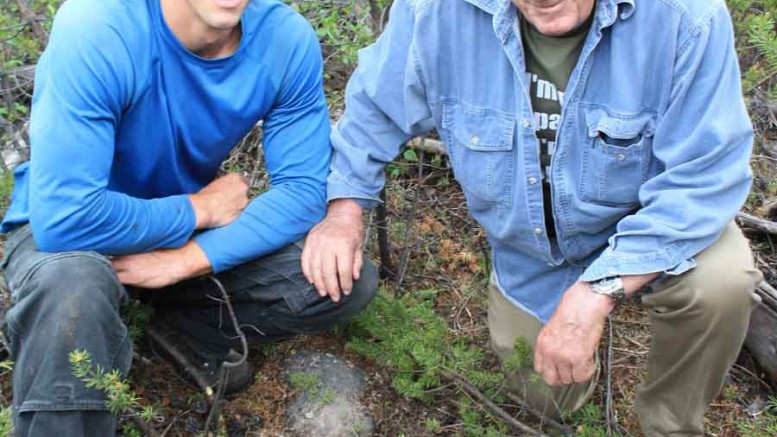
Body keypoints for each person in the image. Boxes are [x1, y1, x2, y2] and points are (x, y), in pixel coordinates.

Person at [302, 0, 763, 434]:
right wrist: (345, 208)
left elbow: (704, 175)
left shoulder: (685, 16)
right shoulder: (434, 12)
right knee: (545, 396)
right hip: (533, 250)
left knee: (720, 282)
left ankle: (670, 421)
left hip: (652, 220)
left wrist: (595, 292)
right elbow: (374, 109)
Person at [0, 0, 378, 435]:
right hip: (70, 240)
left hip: (176, 241)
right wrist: (198, 209)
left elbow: (304, 190)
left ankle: (175, 333)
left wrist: (190, 258)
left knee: (338, 276)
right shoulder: (100, 25)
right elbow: (67, 217)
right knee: (71, 288)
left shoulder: (283, 38)